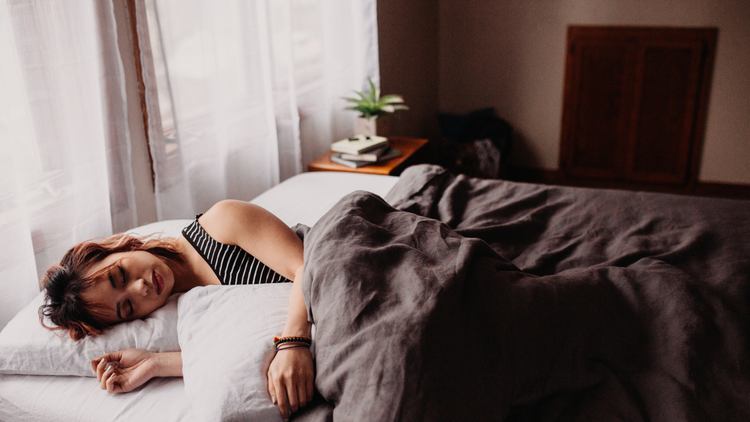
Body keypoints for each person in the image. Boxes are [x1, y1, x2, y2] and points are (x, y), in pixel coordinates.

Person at [39, 200, 312, 419]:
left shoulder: (220, 223)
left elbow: (307, 268)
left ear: (117, 247)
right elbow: (234, 351)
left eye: (120, 275)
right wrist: (153, 363)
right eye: (128, 307)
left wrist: (293, 343)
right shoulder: (189, 308)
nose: (140, 288)